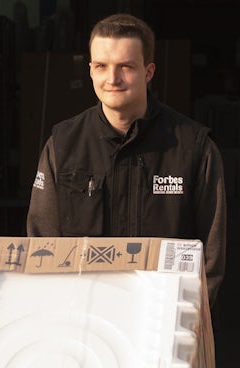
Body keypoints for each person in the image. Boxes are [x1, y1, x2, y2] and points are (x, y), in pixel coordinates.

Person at [26, 13, 226, 308]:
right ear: (90, 70)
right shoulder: (63, 145)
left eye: (126, 67)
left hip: (163, 322)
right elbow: (41, 243)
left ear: (148, 72)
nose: (112, 79)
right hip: (83, 318)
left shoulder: (193, 148)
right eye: (102, 66)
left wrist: (188, 321)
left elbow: (212, 254)